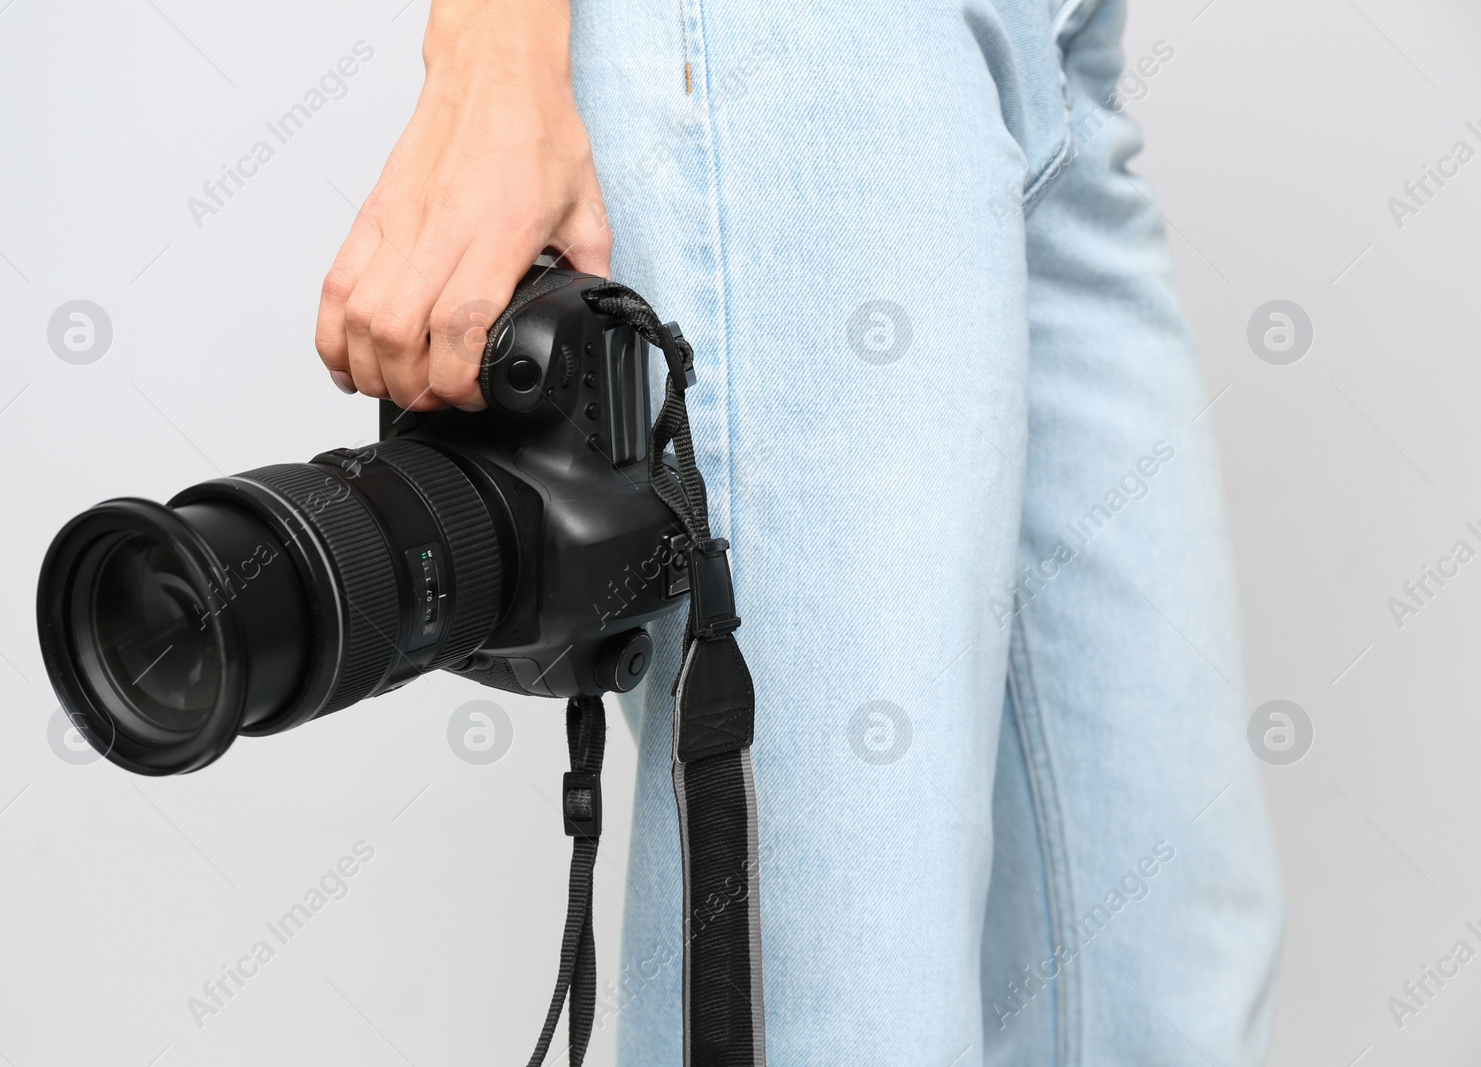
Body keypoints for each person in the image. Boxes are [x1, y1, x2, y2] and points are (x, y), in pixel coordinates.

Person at [313, 0, 1286, 1062]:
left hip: (1051, 48)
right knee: (843, 1005)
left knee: (1162, 995)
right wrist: (488, 57)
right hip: (797, 48)